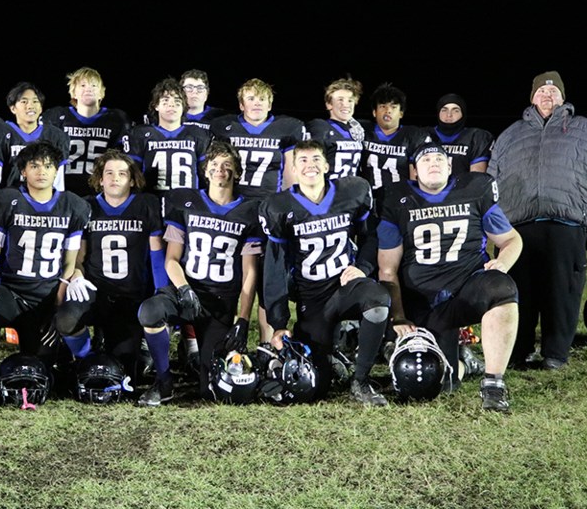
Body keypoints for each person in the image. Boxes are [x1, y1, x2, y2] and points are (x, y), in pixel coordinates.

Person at [487, 71, 587, 370]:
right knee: (516, 290)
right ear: (532, 97)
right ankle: (516, 350)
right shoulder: (510, 134)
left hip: (567, 223)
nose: (547, 96)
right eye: (541, 92)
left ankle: (555, 354)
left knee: (562, 291)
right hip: (516, 228)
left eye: (553, 92)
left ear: (562, 97)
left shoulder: (586, 129)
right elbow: (490, 181)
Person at [376, 142, 522, 411]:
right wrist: (398, 315)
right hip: (421, 301)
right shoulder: (397, 201)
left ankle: (494, 383)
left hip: (464, 292)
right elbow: (387, 269)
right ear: (415, 171)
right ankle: (464, 361)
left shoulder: (474, 190)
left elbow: (511, 239)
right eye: (426, 160)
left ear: (450, 166)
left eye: (439, 159)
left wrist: (501, 263)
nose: (433, 163)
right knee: (437, 382)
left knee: (501, 288)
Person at [0, 141, 91, 408]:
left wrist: (60, 296)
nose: (42, 171)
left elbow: (71, 260)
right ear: (23, 172)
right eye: (34, 166)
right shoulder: (8, 201)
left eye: (48, 166)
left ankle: (84, 367)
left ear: (57, 171)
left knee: (39, 371)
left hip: (47, 294)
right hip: (12, 292)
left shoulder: (72, 205)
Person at [261, 139, 392, 406]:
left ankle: (362, 380)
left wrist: (363, 268)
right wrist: (279, 324)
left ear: (327, 164)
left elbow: (371, 237)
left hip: (346, 286)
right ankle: (328, 355)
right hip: (312, 298)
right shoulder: (279, 207)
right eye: (304, 161)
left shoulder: (352, 191)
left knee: (378, 302)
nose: (311, 166)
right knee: (313, 387)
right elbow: (274, 268)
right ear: (294, 170)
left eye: (316, 159)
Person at [136, 141, 263, 406]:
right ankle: (164, 381)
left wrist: (242, 319)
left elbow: (249, 272)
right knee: (150, 312)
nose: (220, 170)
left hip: (219, 301)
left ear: (237, 173)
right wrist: (183, 289)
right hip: (186, 290)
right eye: (214, 165)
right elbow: (171, 259)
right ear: (205, 172)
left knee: (215, 390)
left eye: (227, 165)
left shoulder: (250, 211)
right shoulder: (187, 202)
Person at [55, 150, 167, 382]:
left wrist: (161, 292)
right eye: (109, 173)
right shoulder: (86, 207)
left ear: (133, 179)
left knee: (124, 374)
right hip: (96, 293)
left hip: (130, 297)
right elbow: (79, 255)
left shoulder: (146, 204)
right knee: (66, 320)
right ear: (100, 179)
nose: (115, 178)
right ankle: (87, 358)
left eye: (122, 173)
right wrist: (76, 275)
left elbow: (156, 253)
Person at [210, 78, 305, 343]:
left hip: (268, 210)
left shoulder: (286, 128)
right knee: (227, 274)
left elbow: (289, 173)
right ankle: (223, 336)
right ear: (241, 104)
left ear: (270, 103)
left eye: (262, 99)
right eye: (251, 98)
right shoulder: (225, 127)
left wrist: (287, 208)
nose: (256, 103)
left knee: (267, 279)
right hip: (234, 208)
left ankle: (266, 343)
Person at [42, 66, 132, 197]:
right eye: (83, 85)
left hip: (101, 193)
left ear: (102, 93)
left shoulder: (116, 119)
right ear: (73, 92)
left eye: (94, 85)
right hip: (62, 191)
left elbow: (124, 161)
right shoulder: (57, 117)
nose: (88, 89)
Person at [0, 81, 70, 195]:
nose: (30, 106)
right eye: (24, 101)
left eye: (35, 101)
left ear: (41, 108)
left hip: (42, 202)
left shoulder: (55, 136)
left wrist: (57, 206)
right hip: (9, 201)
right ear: (13, 108)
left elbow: (58, 181)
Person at [126, 78, 212, 196]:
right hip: (152, 201)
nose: (171, 106)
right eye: (165, 101)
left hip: (188, 203)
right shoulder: (141, 134)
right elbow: (132, 174)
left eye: (177, 102)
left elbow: (207, 176)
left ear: (184, 107)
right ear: (156, 105)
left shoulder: (197, 134)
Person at [360, 82, 430, 199]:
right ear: (374, 112)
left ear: (401, 113)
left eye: (393, 107)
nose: (388, 111)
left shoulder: (413, 136)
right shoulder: (362, 131)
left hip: (401, 201)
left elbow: (418, 175)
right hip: (368, 200)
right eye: (383, 106)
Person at [306, 76, 368, 181]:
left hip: (352, 192)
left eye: (350, 100)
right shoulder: (320, 127)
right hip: (328, 192)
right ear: (329, 104)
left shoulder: (358, 129)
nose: (346, 105)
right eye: (340, 99)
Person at [428, 93, 494, 174]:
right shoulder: (424, 135)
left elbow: (477, 178)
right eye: (444, 110)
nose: (449, 115)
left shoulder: (476, 137)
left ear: (463, 113)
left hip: (465, 186)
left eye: (455, 110)